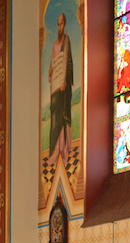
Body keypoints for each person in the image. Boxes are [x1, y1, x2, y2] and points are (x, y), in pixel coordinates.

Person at [47, 12, 74, 165]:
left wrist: (64, 80)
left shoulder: (66, 40)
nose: (59, 27)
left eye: (61, 24)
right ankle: (55, 150)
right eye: (58, 24)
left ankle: (64, 148)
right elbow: (52, 64)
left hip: (63, 85)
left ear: (65, 24)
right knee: (55, 117)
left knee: (63, 115)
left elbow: (67, 62)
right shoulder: (54, 46)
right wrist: (50, 72)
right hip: (55, 87)